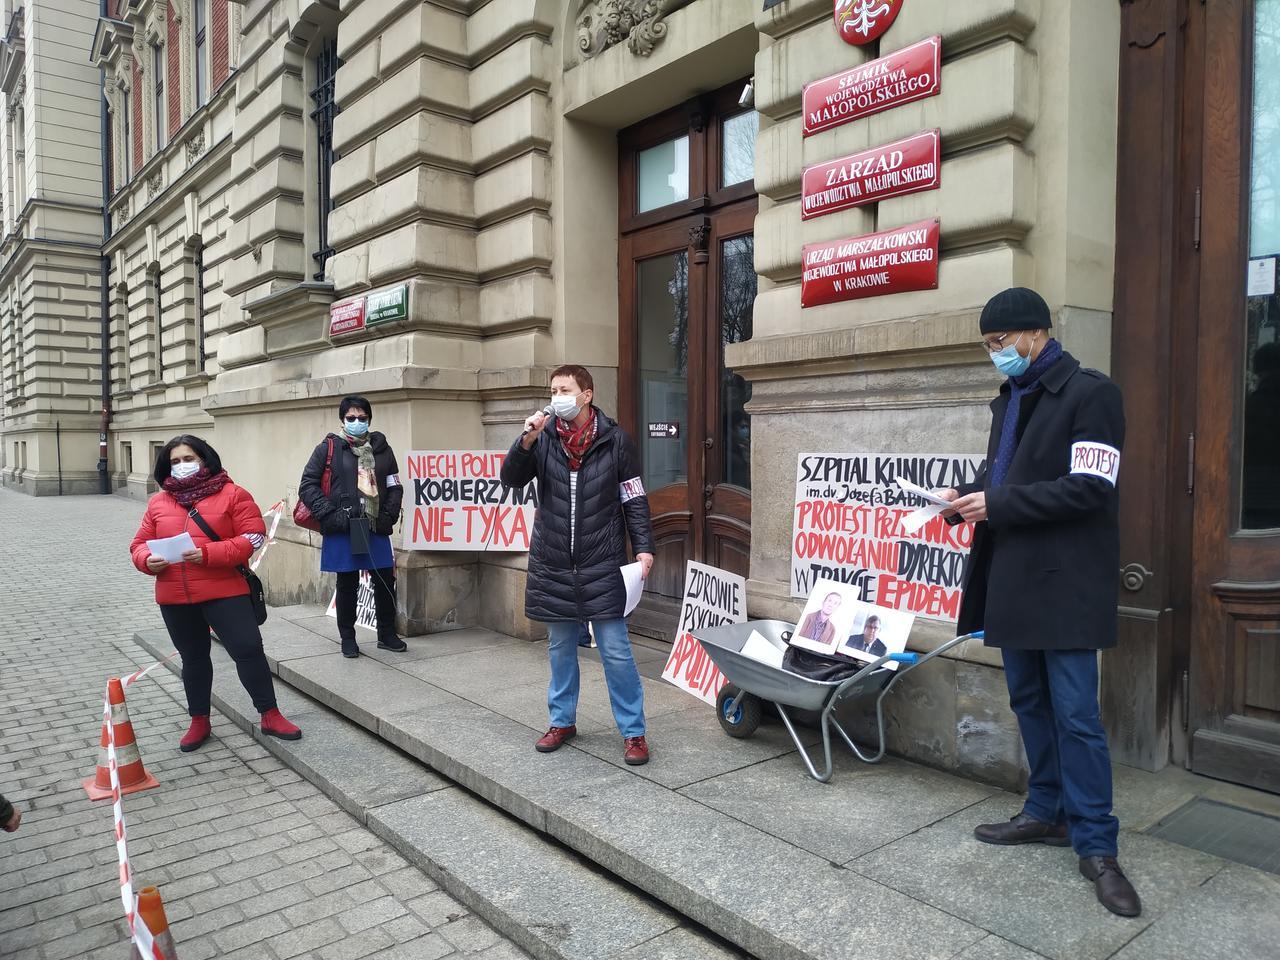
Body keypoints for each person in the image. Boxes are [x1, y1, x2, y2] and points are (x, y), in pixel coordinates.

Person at [940, 287, 1139, 918]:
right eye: (989, 347)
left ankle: (1098, 847)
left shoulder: (1092, 393)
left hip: (1067, 582)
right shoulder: (1009, 397)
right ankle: (1045, 811)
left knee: (1077, 713)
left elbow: (1090, 490)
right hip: (1013, 576)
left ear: (1035, 334)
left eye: (999, 344)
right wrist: (963, 498)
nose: (995, 356)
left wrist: (996, 504)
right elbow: (1006, 479)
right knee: (1027, 699)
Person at [500, 364, 656, 765]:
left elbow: (633, 497)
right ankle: (561, 722)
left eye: (564, 389)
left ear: (586, 394)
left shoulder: (615, 440)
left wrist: (644, 547)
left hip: (601, 560)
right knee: (560, 649)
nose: (557, 397)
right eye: (553, 390)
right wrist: (526, 439)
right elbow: (511, 479)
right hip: (554, 560)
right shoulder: (545, 438)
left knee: (616, 651)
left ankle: (634, 732)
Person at [130, 436, 302, 750]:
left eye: (188, 458)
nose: (182, 466)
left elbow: (254, 537)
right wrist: (146, 560)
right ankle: (199, 720)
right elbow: (139, 544)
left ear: (205, 459)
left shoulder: (233, 494)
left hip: (224, 590)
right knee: (193, 659)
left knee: (248, 650)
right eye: (175, 461)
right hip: (175, 597)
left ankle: (270, 714)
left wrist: (208, 553)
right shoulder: (158, 501)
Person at [299, 396, 407, 658]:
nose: (357, 422)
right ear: (342, 420)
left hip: (375, 525)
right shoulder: (328, 448)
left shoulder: (383, 449)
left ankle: (387, 634)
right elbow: (308, 485)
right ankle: (348, 638)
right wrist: (330, 515)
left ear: (369, 420)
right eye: (351, 418)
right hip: (342, 525)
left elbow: (394, 486)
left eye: (362, 418)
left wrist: (388, 516)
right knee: (347, 583)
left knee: (384, 581)